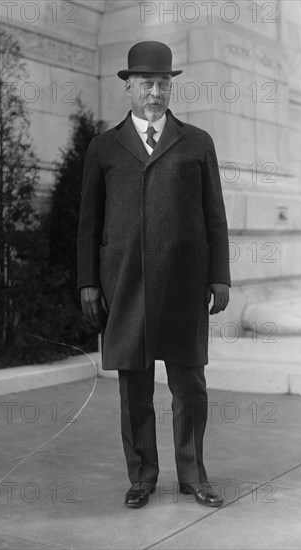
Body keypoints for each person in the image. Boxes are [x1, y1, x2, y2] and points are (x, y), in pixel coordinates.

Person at [77, 41, 231, 508]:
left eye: (163, 83)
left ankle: (193, 474)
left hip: (184, 282)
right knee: (134, 387)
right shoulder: (104, 147)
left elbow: (215, 215)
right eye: (146, 83)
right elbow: (89, 220)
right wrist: (87, 280)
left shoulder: (197, 142)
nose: (155, 92)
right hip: (125, 282)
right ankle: (142, 476)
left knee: (190, 384)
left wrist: (219, 275)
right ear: (128, 87)